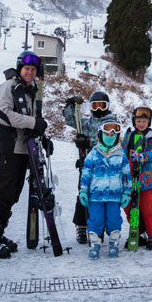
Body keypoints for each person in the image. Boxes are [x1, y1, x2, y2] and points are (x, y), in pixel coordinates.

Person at [0, 50, 48, 258]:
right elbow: (5, 115)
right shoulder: (7, 87)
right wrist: (34, 123)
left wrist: (40, 134)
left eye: (33, 70)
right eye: (27, 68)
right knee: (4, 193)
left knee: (12, 195)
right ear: (19, 69)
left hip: (22, 150)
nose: (30, 72)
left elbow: (32, 120)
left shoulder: (30, 91)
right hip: (7, 148)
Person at [78, 114, 132, 259]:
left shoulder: (121, 155)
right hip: (95, 196)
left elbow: (126, 175)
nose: (110, 135)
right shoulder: (93, 154)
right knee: (96, 219)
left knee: (114, 219)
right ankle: (95, 244)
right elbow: (86, 174)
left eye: (114, 132)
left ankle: (114, 243)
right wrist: (83, 191)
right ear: (101, 134)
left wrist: (127, 192)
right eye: (107, 132)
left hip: (114, 196)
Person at [63, 91, 110, 244]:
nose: (98, 109)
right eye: (95, 105)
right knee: (83, 194)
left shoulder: (110, 122)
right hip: (87, 165)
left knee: (102, 195)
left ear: (107, 107)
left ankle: (99, 226)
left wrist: (88, 142)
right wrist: (70, 105)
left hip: (105, 166)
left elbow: (108, 141)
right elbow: (70, 120)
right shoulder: (87, 123)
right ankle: (81, 225)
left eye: (102, 106)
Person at [122, 106, 152, 250]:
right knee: (129, 206)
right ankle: (137, 232)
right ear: (134, 121)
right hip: (130, 178)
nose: (141, 124)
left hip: (147, 179)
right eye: (138, 121)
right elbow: (122, 151)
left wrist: (143, 156)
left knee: (148, 206)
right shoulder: (129, 136)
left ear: (149, 122)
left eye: (144, 121)